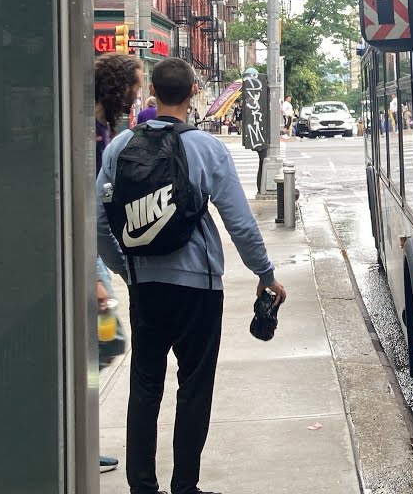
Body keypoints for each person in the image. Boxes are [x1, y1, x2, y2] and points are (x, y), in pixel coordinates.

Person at [97, 57, 287, 494]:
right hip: (198, 289)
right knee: (194, 388)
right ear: (193, 91)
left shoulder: (120, 146)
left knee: (144, 387)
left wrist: (126, 269)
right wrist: (265, 273)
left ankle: (142, 486)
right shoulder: (207, 148)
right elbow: (239, 221)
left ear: (155, 95)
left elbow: (97, 218)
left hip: (146, 286)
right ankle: (185, 486)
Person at [93, 53, 144, 475]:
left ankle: (79, 433)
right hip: (89, 265)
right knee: (106, 342)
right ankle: (76, 435)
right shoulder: (93, 134)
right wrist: (99, 282)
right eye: (136, 83)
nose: (139, 91)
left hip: (94, 261)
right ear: (120, 86)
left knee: (104, 345)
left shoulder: (103, 130)